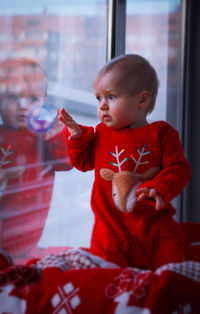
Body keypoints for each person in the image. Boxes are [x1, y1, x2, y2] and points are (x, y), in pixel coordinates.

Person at [58, 54, 192, 270]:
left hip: (154, 224)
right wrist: (76, 137)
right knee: (108, 276)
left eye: (110, 97)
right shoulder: (101, 133)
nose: (102, 106)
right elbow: (82, 162)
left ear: (142, 100)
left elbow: (179, 169)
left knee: (176, 267)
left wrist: (159, 187)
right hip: (110, 229)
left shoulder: (162, 134)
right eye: (98, 98)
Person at [0, 57, 72, 264]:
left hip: (26, 237)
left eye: (32, 99)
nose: (23, 106)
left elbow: (65, 162)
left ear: (44, 101)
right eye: (13, 97)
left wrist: (57, 136)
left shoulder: (44, 138)